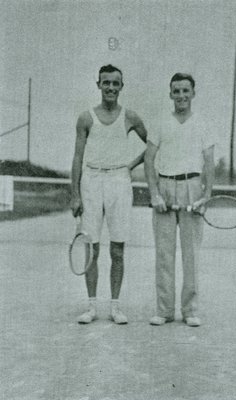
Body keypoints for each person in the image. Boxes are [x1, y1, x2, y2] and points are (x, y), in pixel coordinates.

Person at [71, 64, 147, 324]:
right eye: (106, 83)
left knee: (117, 248)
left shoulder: (130, 117)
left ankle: (115, 306)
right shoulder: (86, 118)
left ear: (121, 86)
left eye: (115, 83)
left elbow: (154, 145)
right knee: (91, 248)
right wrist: (75, 194)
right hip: (91, 181)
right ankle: (92, 306)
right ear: (99, 85)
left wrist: (132, 165)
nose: (111, 88)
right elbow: (78, 157)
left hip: (119, 181)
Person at [144, 73, 215, 327]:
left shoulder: (203, 124)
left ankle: (190, 310)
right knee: (164, 254)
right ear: (170, 94)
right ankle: (164, 310)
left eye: (186, 90)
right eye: (176, 91)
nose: (181, 95)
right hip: (165, 186)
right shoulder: (161, 122)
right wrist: (154, 193)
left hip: (192, 187)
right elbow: (149, 159)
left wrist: (205, 195)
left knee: (191, 254)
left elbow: (209, 162)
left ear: (193, 93)